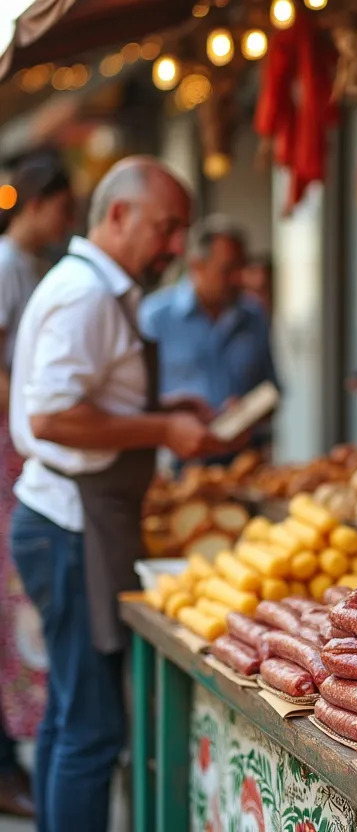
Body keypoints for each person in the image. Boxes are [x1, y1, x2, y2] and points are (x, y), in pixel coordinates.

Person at [9, 156, 236, 831]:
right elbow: (50, 416)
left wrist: (162, 407)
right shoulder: (85, 295)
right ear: (117, 215)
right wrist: (162, 426)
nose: (174, 246)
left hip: (71, 522)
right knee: (93, 730)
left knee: (71, 715)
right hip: (72, 527)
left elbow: (83, 401)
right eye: (166, 228)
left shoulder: (97, 287)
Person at [0, 155, 74, 818]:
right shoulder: (6, 266)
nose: (67, 221)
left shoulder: (30, 268)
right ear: (40, 201)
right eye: (63, 206)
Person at [140, 215, 278, 464]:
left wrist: (250, 411)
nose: (238, 279)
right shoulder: (155, 318)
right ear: (197, 267)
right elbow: (137, 402)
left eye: (241, 268)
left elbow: (273, 388)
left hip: (245, 458)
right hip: (180, 462)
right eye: (227, 270)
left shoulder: (253, 315)